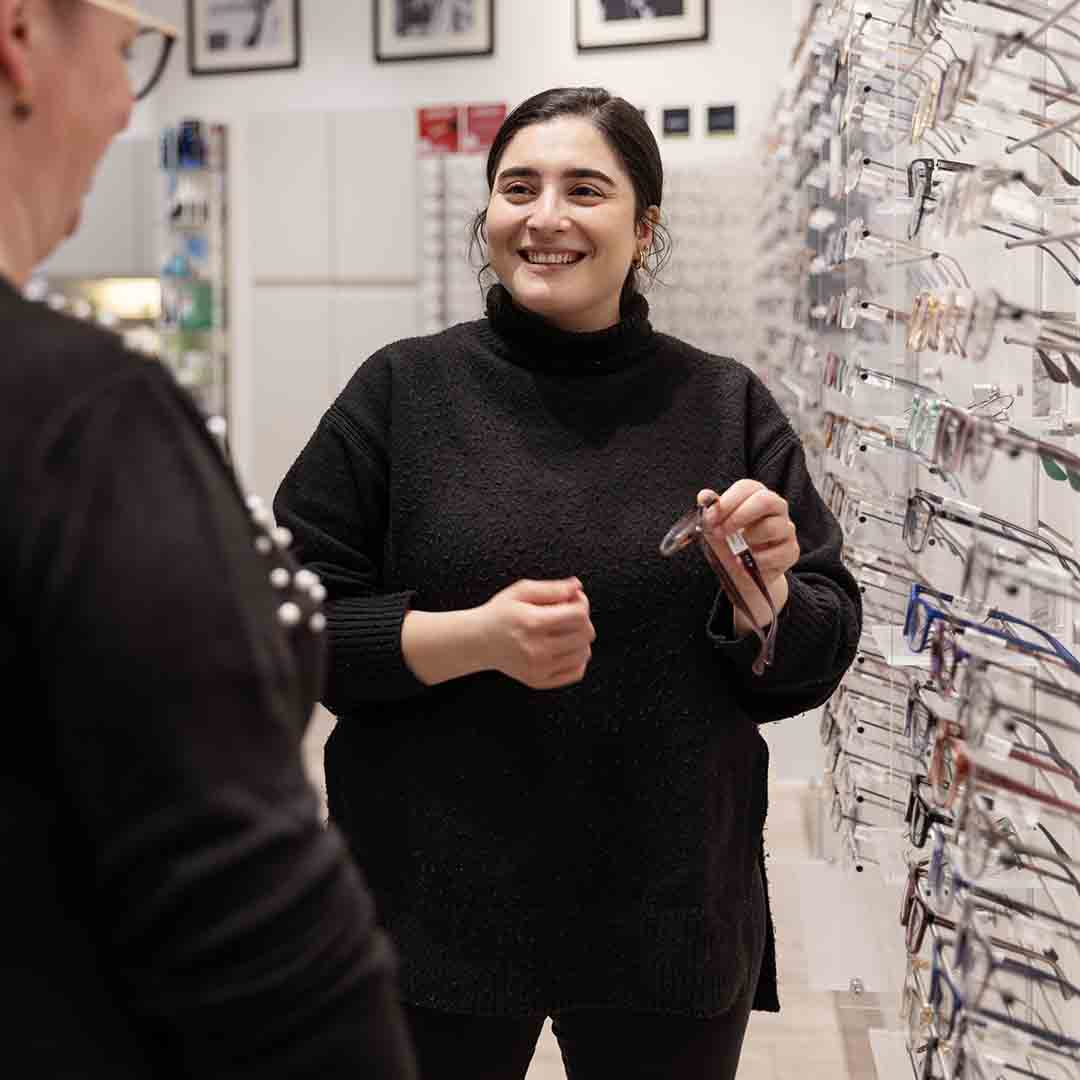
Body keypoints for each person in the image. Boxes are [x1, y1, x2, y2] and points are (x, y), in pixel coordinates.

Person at [275, 86, 862, 1080]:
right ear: (488, 212)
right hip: (431, 911)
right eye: (519, 187)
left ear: (643, 226)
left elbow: (817, 639)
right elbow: (287, 621)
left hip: (668, 913)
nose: (545, 218)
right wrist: (472, 640)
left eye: (584, 189)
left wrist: (765, 602)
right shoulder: (401, 391)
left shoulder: (722, 402)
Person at [0, 2, 416, 1076]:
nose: (126, 102)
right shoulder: (80, 422)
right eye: (128, 50)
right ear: (19, 41)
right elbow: (258, 936)